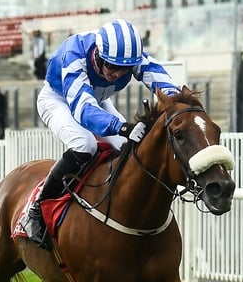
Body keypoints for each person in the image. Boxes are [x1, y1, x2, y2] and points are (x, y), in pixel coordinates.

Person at [26, 19, 181, 249]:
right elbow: (83, 108)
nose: (117, 74)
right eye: (112, 67)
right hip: (59, 99)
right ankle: (37, 209)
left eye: (124, 69)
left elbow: (161, 80)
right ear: (98, 54)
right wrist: (122, 127)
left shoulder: (127, 55)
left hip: (97, 99)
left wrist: (177, 101)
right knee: (85, 144)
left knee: (127, 148)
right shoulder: (74, 54)